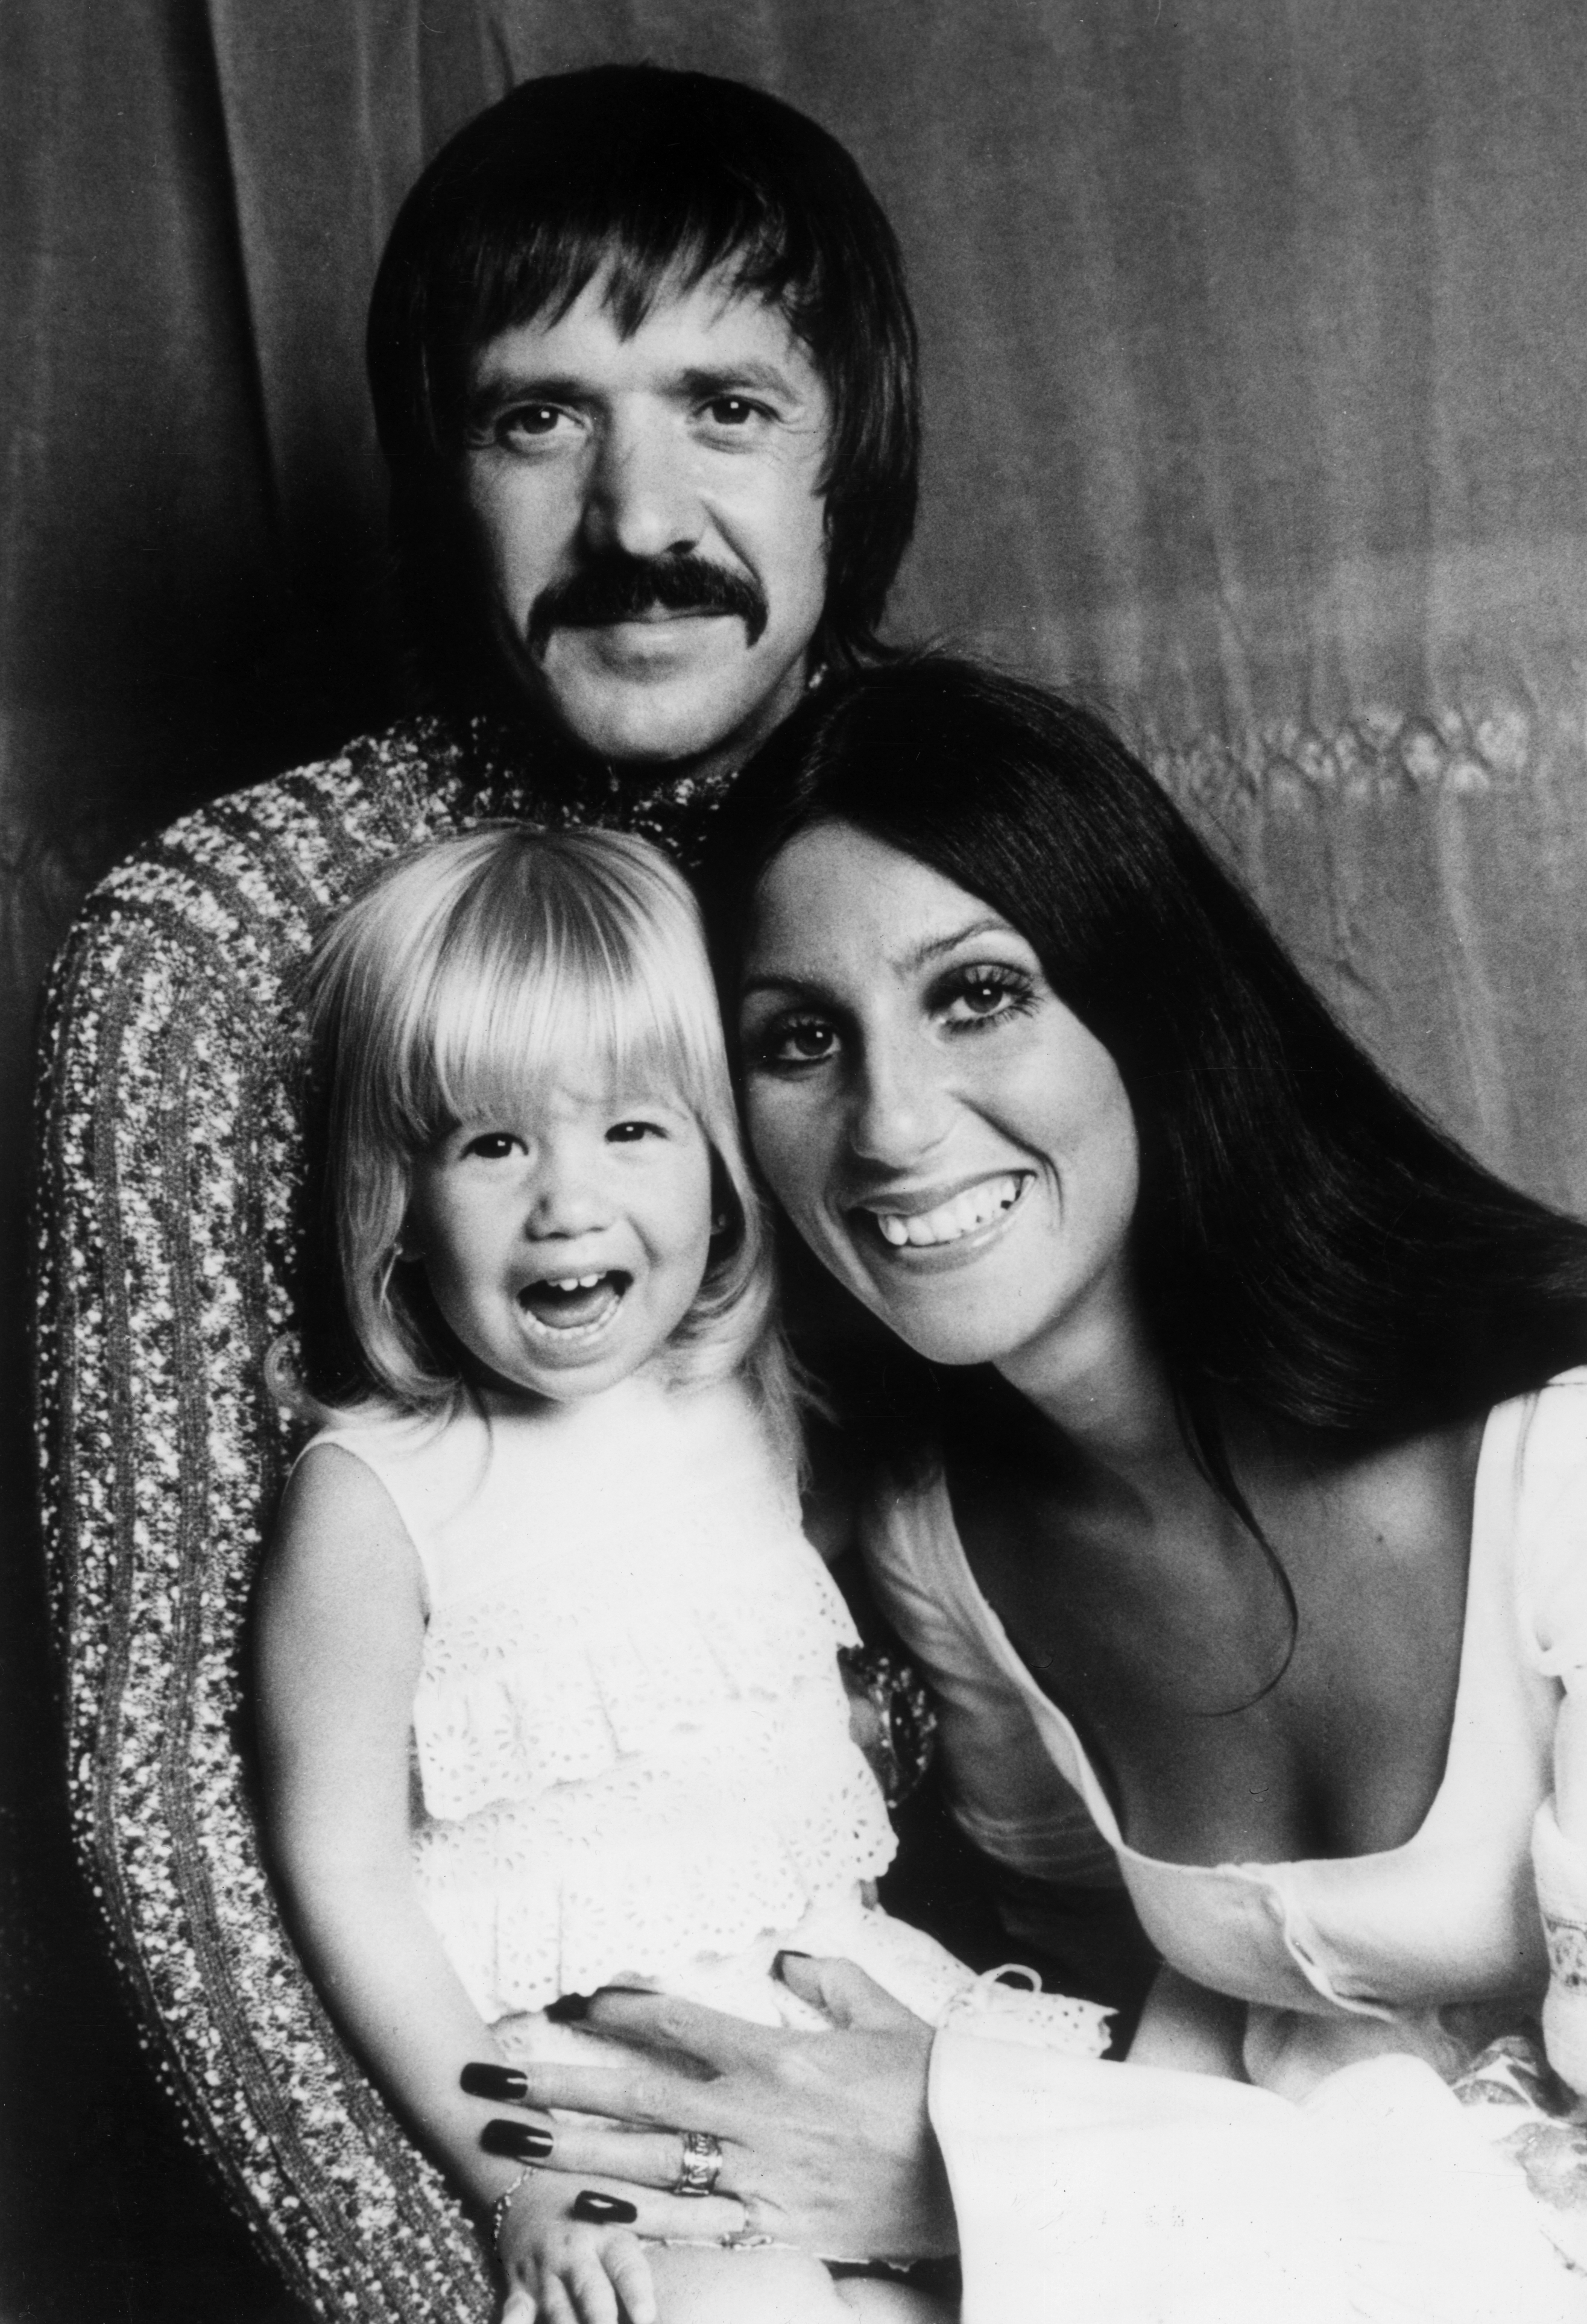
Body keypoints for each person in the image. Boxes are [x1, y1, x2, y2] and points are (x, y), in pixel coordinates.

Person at [33, 62, 927, 2307]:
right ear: (441, 477)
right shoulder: (220, 943)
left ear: (853, 454)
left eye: (724, 403)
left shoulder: (955, 860)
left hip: (944, 2061)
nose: (637, 509)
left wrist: (1027, 2158)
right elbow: (186, 1809)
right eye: (541, 418)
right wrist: (483, 2270)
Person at [472, 659, 1587, 2322]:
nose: (896, 1125)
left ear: (1151, 1007)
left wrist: (974, 2169)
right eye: (800, 1042)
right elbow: (1102, 1996)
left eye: (979, 994)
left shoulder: (1560, 1454)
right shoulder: (948, 1544)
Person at [254, 820, 1110, 2324]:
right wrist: (507, 2170)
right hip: (613, 2098)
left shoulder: (742, 1394)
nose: (566, 1201)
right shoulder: (380, 1491)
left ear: (722, 1170)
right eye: (492, 1140)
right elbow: (342, 1869)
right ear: (397, 1199)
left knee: (1093, 2251)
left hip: (838, 2005)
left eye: (630, 1129)